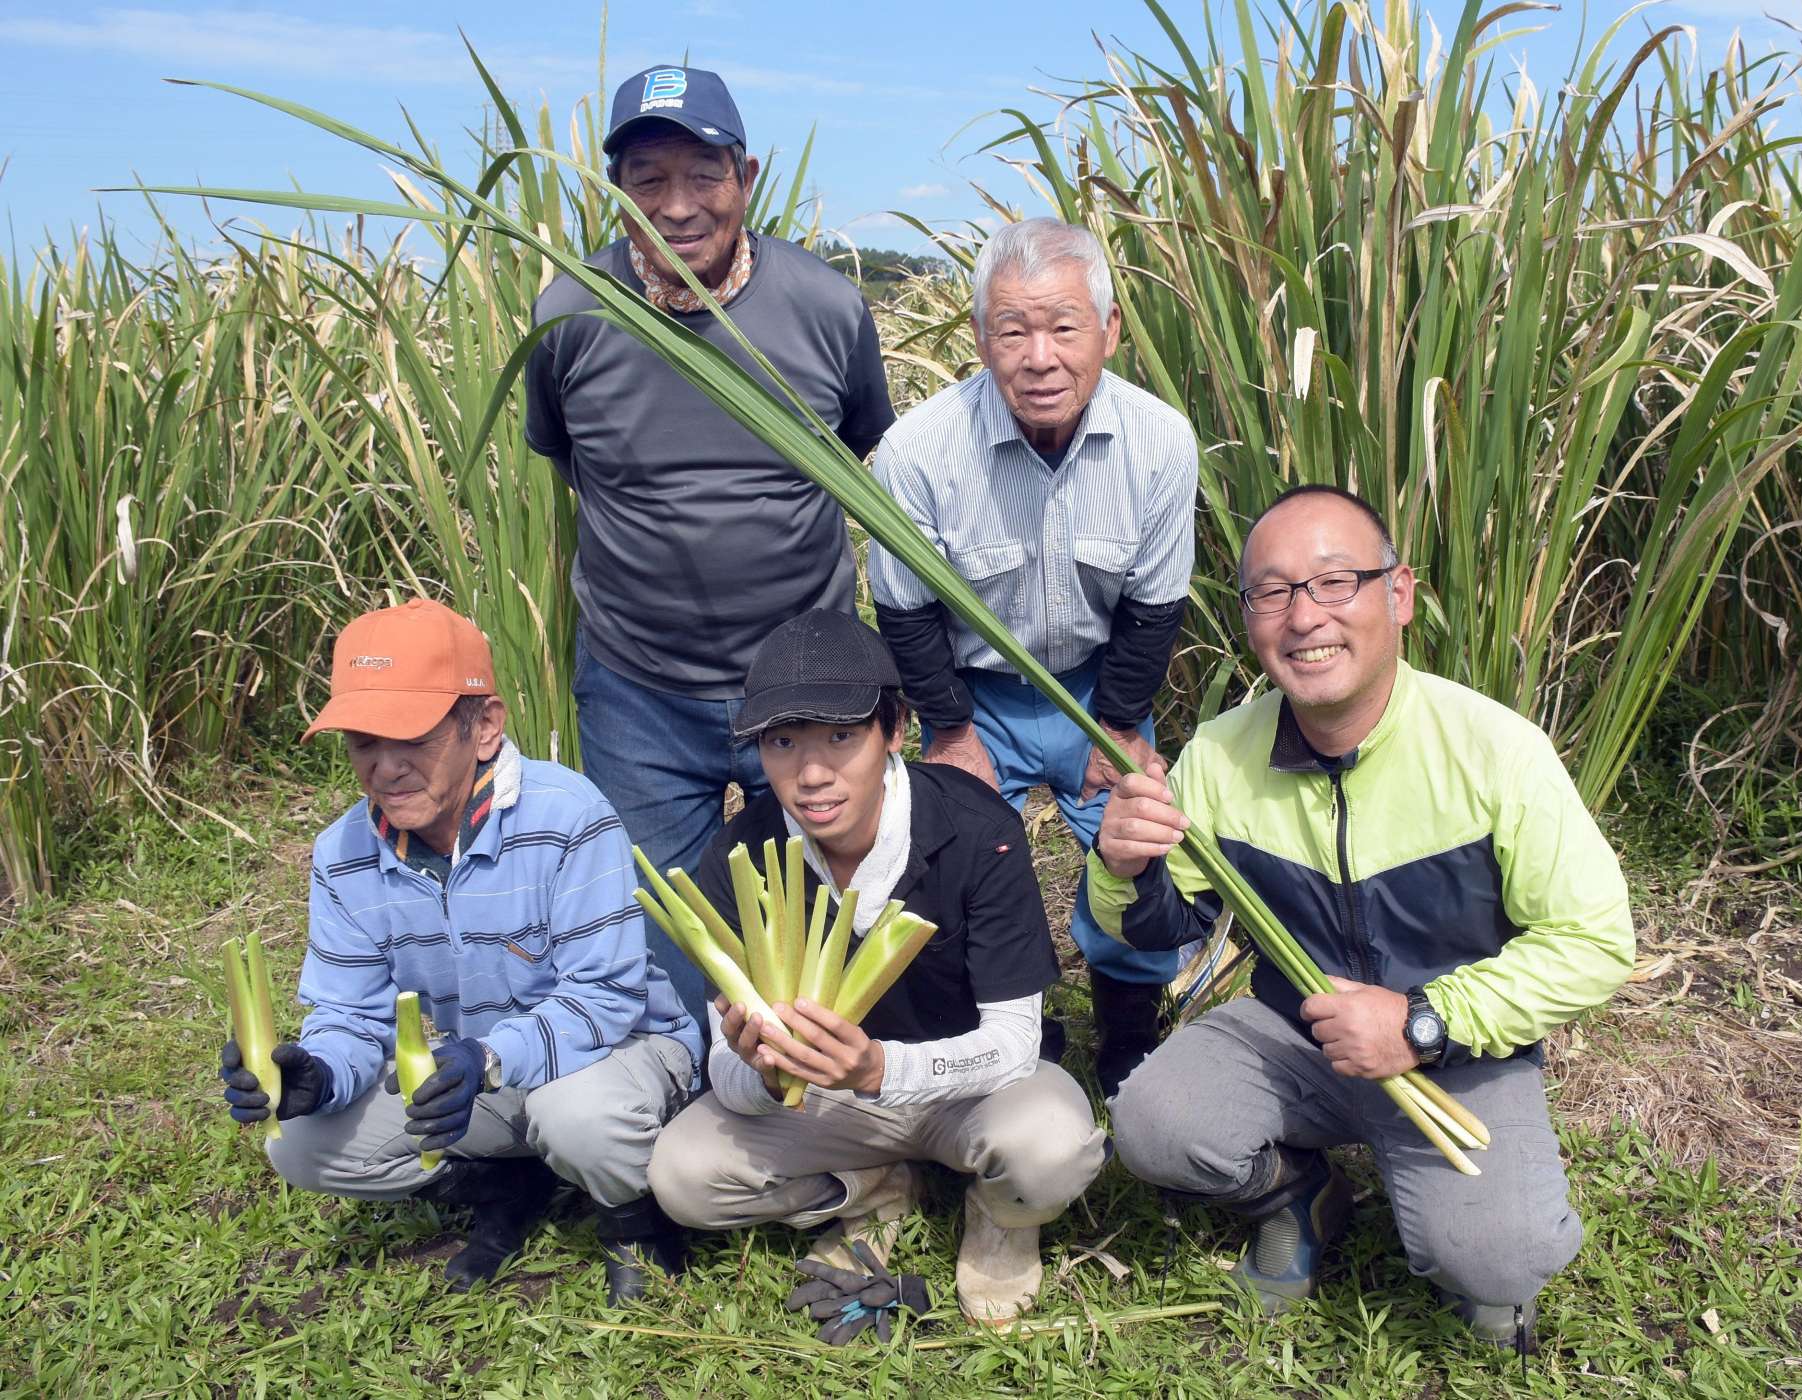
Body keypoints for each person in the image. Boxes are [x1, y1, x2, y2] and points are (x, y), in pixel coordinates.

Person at [1091, 486, 1635, 1349]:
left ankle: (1470, 1236)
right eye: (1273, 592)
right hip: (1292, 1034)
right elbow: (1161, 932)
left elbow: (1596, 941)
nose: (1304, 617)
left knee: (1500, 1258)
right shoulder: (1220, 754)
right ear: (1249, 617)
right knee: (1153, 1124)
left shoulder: (1494, 751)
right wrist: (1123, 866)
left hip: (1454, 1055)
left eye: (1335, 581)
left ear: (1400, 593)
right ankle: (1299, 1193)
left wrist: (1424, 1021)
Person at [523, 65, 896, 1028]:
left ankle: (839, 1128)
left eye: (704, 173)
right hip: (639, 689)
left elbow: (859, 451)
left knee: (837, 931)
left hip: (808, 684)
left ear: (748, 175)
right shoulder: (567, 315)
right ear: (616, 190)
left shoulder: (823, 307)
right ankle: (694, 1139)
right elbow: (576, 465)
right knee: (672, 949)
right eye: (647, 178)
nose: (678, 206)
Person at [217, 599, 702, 1304]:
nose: (384, 767)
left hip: (621, 1053)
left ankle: (636, 1224)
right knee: (301, 1143)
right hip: (485, 1069)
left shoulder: (569, 815)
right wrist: (316, 1076)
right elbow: (350, 1017)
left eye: (409, 735)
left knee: (578, 1115)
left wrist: (487, 1058)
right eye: (361, 741)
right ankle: (509, 1183)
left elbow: (604, 1000)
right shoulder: (343, 854)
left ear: (484, 725)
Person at [646, 610, 1108, 1325]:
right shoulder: (741, 857)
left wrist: (879, 1071)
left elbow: (1016, 1043)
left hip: (968, 1091)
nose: (812, 772)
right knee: (684, 1177)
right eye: (782, 741)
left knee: (1053, 1147)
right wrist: (767, 1072)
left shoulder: (978, 831)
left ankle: (1002, 1215)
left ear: (893, 731)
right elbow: (729, 1078)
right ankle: (867, 1186)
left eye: (841, 735)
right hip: (828, 1104)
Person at [867, 217, 1199, 1098]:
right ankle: (1014, 1039)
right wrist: (949, 730)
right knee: (950, 862)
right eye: (1012, 330)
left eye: (1064, 326)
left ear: (1110, 330)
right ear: (980, 339)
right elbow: (902, 609)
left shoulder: (1161, 443)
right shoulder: (917, 453)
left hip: (1098, 687)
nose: (1039, 357)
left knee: (1136, 853)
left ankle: (1127, 1040)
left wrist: (1120, 724)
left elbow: (1154, 605)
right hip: (972, 693)